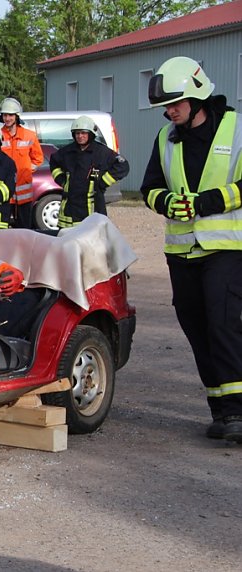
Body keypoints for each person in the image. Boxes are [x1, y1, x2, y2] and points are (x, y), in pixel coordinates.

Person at [140, 56, 242, 443]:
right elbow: (149, 186)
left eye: (174, 104)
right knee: (196, 327)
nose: (168, 113)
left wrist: (212, 200)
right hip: (182, 252)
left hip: (227, 247)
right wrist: (166, 202)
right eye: (165, 107)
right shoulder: (166, 138)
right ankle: (220, 409)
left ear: (197, 95)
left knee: (223, 323)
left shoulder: (236, 128)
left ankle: (237, 411)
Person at [50, 116, 130, 228]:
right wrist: (61, 180)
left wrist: (103, 182)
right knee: (67, 242)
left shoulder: (101, 152)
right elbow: (54, 162)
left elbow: (123, 166)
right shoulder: (67, 152)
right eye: (77, 133)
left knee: (92, 240)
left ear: (91, 134)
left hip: (92, 207)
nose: (80, 136)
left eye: (83, 133)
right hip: (69, 210)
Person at [0, 97, 43, 229]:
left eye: (10, 115)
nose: (7, 118)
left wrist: (26, 171)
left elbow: (38, 158)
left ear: (16, 116)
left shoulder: (29, 136)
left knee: (24, 227)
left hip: (24, 191)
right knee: (2, 226)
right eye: (5, 115)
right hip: (4, 190)